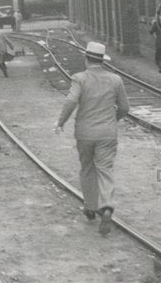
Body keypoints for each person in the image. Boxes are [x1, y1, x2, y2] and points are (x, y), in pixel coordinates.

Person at [53, 42, 130, 236]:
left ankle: (90, 206)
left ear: (86, 59)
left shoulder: (80, 78)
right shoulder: (115, 79)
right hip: (107, 134)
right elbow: (124, 108)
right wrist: (112, 120)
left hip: (85, 133)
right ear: (102, 61)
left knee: (87, 168)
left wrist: (61, 122)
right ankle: (107, 206)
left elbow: (71, 100)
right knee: (105, 170)